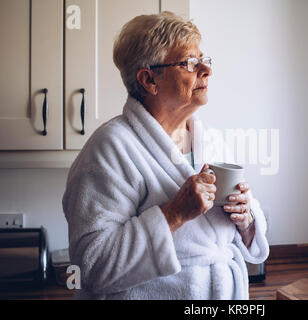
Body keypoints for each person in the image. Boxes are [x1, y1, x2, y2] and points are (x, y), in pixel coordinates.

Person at [62, 11, 269, 300]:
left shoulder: (210, 141)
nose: (206, 71)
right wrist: (174, 213)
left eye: (203, 60)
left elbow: (243, 237)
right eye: (189, 63)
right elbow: (92, 265)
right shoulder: (110, 148)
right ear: (149, 80)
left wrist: (245, 219)